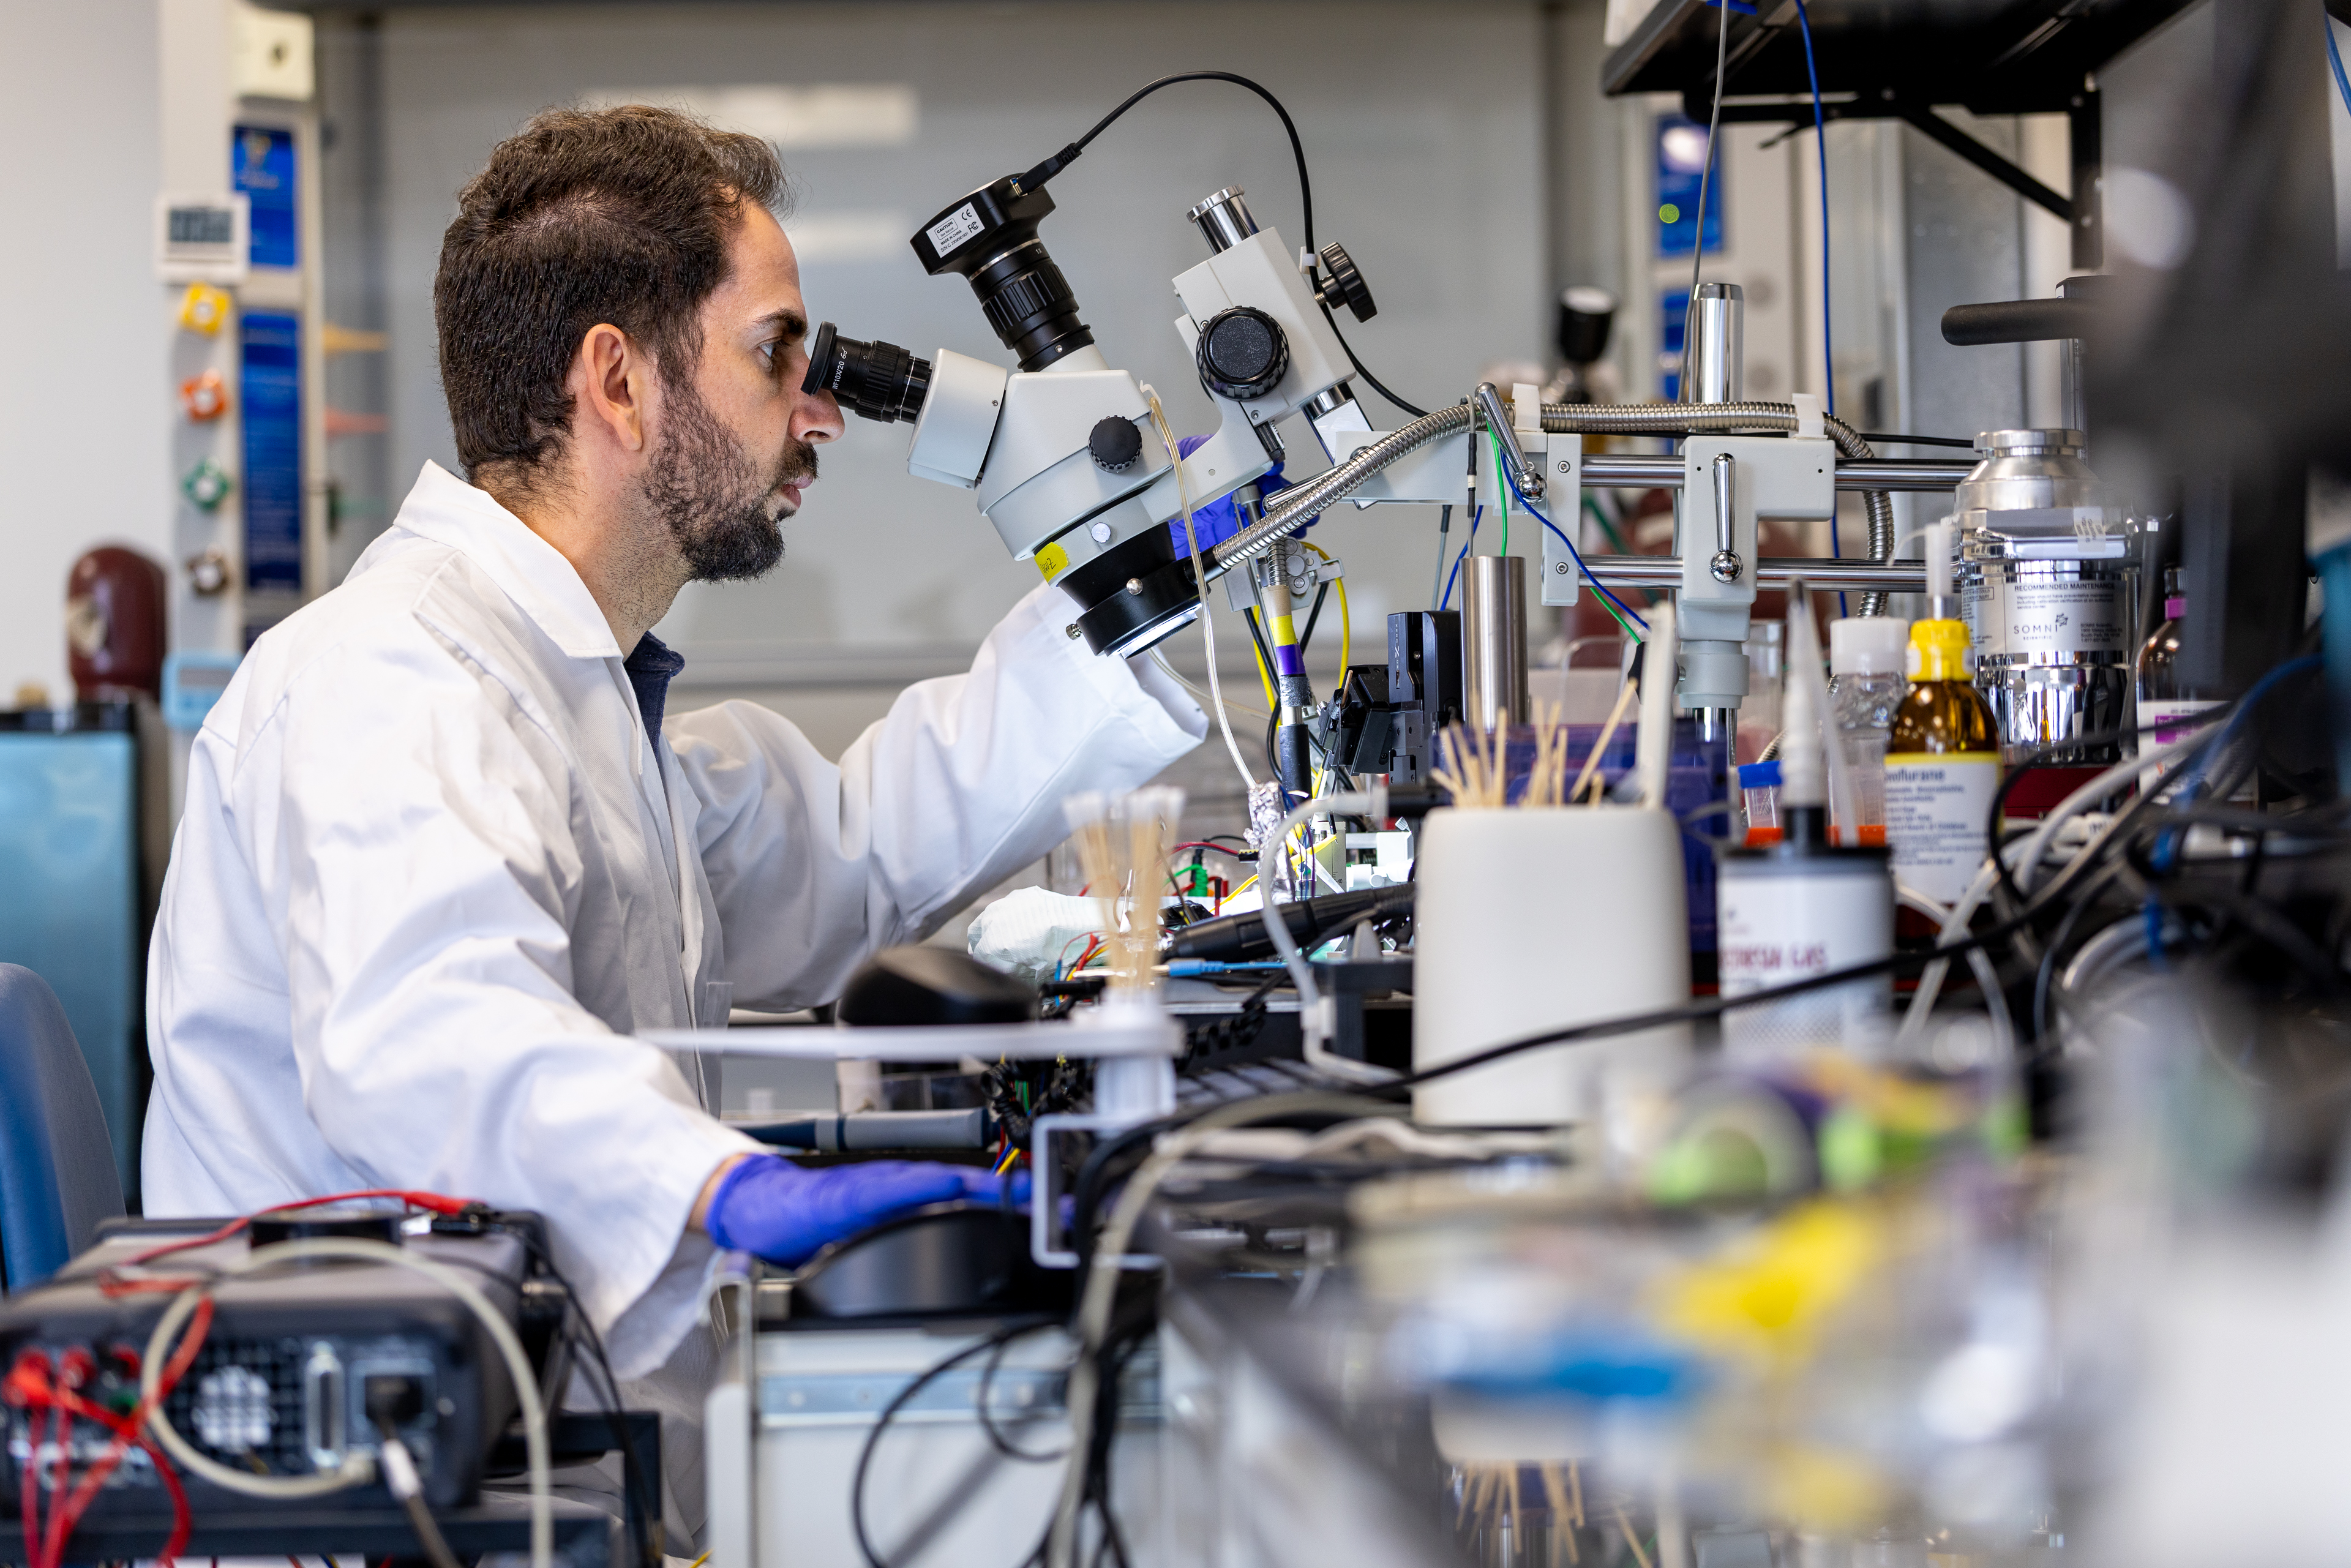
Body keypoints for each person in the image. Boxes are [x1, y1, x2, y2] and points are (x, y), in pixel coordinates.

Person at [141, 105, 1204, 1531]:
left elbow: (852, 855)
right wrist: (722, 1185)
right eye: (778, 353)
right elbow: (430, 1041)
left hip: (553, 1469)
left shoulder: (565, 696)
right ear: (620, 382)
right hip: (395, 1511)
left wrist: (1130, 590)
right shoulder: (387, 685)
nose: (818, 410)